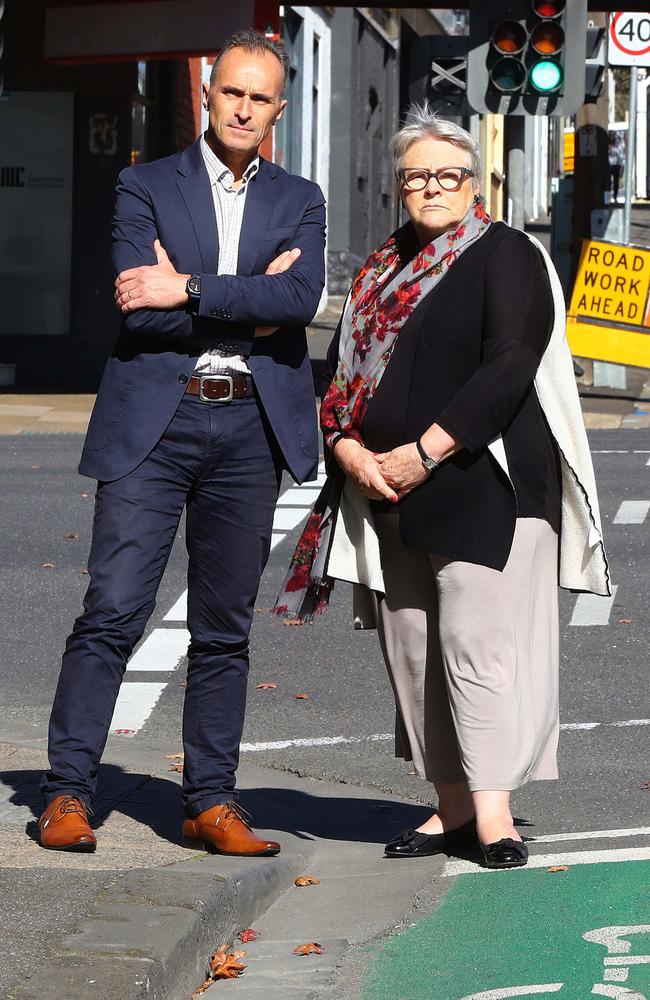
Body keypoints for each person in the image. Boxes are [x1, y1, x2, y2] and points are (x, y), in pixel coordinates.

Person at [274, 107, 609, 869]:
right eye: (417, 176)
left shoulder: (507, 255)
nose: (432, 187)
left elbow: (509, 365)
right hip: (388, 495)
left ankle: (495, 814)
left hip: (484, 489)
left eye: (447, 174)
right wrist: (347, 448)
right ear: (399, 186)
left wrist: (424, 451)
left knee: (480, 649)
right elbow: (341, 382)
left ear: (473, 182)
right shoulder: (377, 271)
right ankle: (451, 807)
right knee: (417, 652)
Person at [38, 29, 325, 856]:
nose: (242, 107)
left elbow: (300, 298)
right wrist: (248, 299)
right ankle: (65, 792)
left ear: (278, 108)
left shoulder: (299, 198)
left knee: (224, 628)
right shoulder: (144, 184)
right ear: (208, 94)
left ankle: (210, 801)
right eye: (231, 91)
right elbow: (140, 303)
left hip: (250, 428)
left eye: (259, 97)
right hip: (154, 424)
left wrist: (189, 285)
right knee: (113, 611)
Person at [608, 132, 624, 204]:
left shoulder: (618, 146)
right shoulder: (607, 146)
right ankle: (608, 197)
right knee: (608, 182)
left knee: (616, 182)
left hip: (616, 165)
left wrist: (621, 165)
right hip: (609, 165)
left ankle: (615, 197)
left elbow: (620, 155)